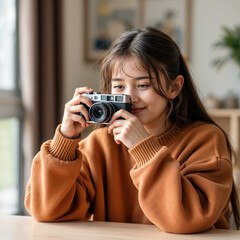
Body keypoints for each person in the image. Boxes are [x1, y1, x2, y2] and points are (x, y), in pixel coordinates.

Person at [24, 27, 240, 233]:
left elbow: (186, 219)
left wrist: (143, 148)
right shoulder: (101, 144)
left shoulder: (205, 140)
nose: (130, 97)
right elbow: (46, 211)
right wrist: (65, 141)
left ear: (174, 87)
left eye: (143, 85)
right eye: (119, 86)